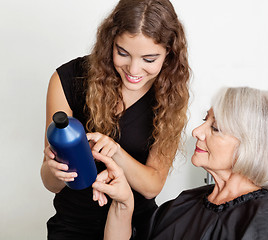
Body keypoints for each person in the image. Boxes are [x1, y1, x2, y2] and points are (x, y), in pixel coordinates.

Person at [40, 0, 190, 239]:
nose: (134, 69)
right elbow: (51, 183)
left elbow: (152, 186)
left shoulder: (170, 94)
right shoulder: (66, 80)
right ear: (110, 41)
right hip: (72, 226)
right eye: (123, 53)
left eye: (149, 59)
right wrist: (53, 169)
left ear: (169, 52)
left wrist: (115, 152)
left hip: (136, 225)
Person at [92, 87, 268, 240]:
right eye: (206, 120)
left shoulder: (266, 221)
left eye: (215, 127)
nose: (197, 132)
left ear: (251, 145)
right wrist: (123, 202)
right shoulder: (186, 203)